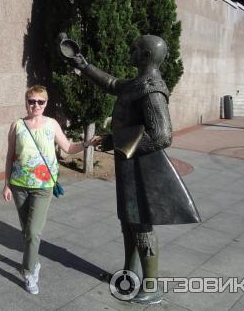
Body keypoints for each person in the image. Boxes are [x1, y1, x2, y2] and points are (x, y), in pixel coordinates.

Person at [63, 35, 200, 304]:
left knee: (141, 224)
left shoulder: (152, 89)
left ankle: (151, 286)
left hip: (143, 168)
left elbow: (162, 136)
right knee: (128, 221)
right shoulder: (138, 83)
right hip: (130, 164)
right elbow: (113, 83)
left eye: (135, 48)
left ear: (146, 56)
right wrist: (84, 64)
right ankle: (129, 272)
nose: (130, 50)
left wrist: (119, 142)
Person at [3, 85, 101, 294]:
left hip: (43, 186)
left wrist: (86, 144)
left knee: (33, 231)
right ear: (26, 102)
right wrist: (6, 184)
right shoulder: (17, 125)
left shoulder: (51, 124)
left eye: (40, 102)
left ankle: (29, 272)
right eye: (31, 101)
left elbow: (68, 148)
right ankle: (34, 261)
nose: (35, 105)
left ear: (45, 103)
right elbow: (10, 156)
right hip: (19, 185)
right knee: (26, 231)